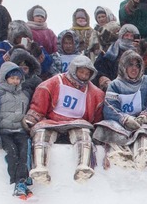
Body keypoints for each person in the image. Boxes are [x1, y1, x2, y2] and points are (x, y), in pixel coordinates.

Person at [23, 55, 105, 185]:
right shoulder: (55, 82)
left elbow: (97, 114)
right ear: (74, 69)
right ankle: (40, 167)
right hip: (52, 121)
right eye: (81, 71)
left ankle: (83, 166)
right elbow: (40, 100)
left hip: (78, 122)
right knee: (41, 134)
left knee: (84, 135)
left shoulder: (95, 93)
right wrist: (33, 117)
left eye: (87, 73)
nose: (84, 75)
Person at [93, 51, 147, 172]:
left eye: (137, 65)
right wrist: (124, 119)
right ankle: (121, 154)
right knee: (106, 127)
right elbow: (109, 107)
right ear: (124, 66)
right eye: (130, 65)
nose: (134, 68)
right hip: (120, 121)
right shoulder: (115, 85)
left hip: (141, 121)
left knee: (143, 131)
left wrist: (146, 115)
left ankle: (143, 154)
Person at [0, 62, 34, 198]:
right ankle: (18, 182)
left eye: (17, 78)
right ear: (5, 77)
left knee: (25, 151)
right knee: (12, 153)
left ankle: (22, 181)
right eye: (12, 78)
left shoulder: (24, 94)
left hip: (19, 131)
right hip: (4, 131)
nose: (15, 81)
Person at [93, 24, 141, 90]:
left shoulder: (141, 51)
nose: (129, 38)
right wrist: (105, 81)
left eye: (132, 36)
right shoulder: (108, 52)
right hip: (111, 88)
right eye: (126, 35)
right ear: (121, 36)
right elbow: (98, 69)